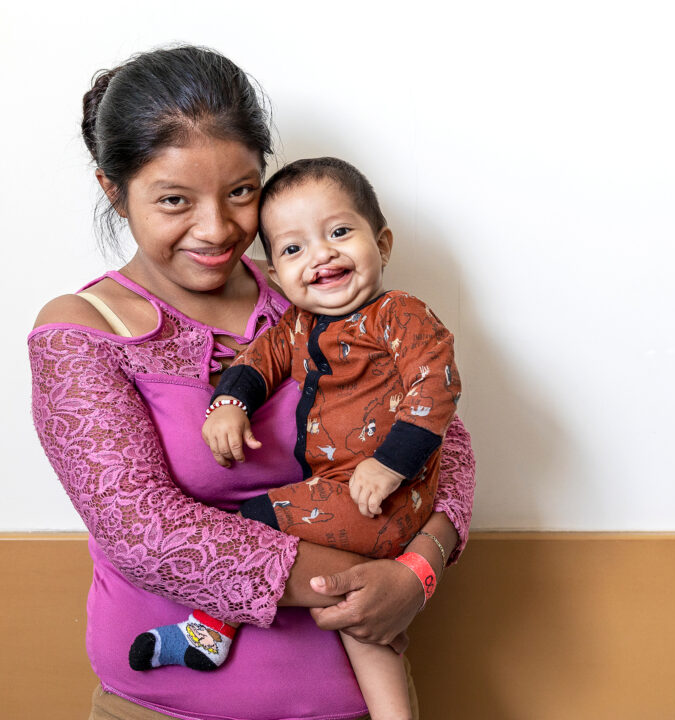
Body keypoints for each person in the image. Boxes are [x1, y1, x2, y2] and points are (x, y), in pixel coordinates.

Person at [29, 45, 475, 720]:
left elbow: (447, 447)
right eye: (174, 200)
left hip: (357, 705)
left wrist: (417, 573)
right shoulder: (80, 331)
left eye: (240, 192)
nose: (217, 229)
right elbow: (145, 533)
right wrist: (357, 584)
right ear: (113, 189)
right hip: (168, 712)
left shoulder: (314, 289)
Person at [131, 157, 460, 719]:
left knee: (255, 519)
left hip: (380, 495)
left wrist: (390, 463)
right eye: (293, 249)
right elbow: (260, 361)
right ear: (278, 276)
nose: (322, 255)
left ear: (381, 243)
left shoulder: (398, 314)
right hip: (348, 501)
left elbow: (437, 384)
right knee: (359, 618)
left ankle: (208, 633)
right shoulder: (297, 327)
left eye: (339, 233)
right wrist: (231, 405)